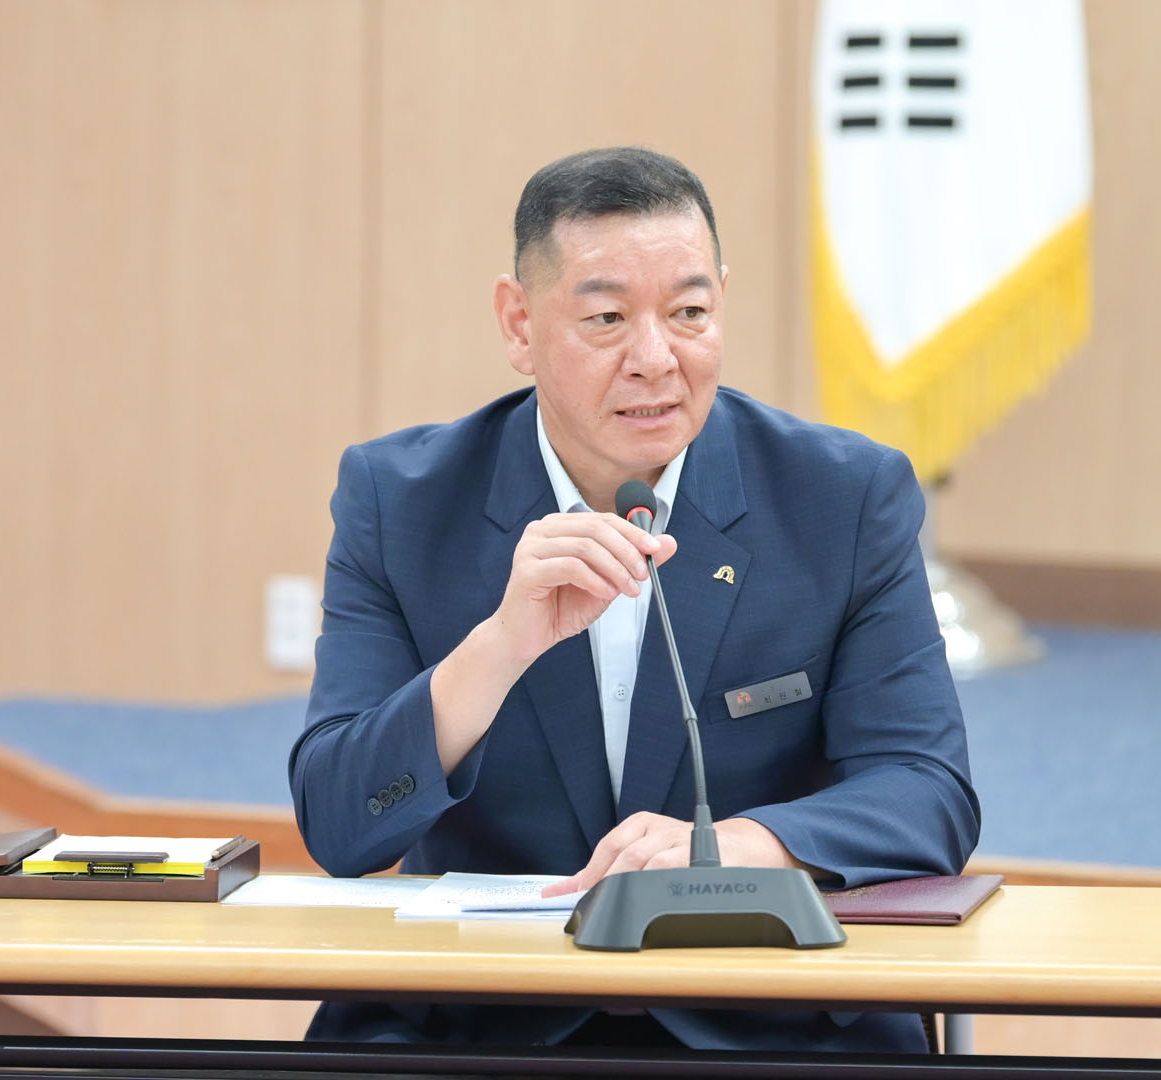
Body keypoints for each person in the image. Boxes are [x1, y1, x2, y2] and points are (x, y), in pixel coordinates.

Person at [289, 147, 980, 1053]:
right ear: (519, 324)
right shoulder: (402, 502)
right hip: (486, 1021)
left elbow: (928, 792)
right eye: (607, 319)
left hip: (767, 1016)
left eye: (689, 313)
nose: (656, 360)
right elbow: (340, 826)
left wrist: (738, 848)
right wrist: (498, 646)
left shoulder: (842, 498)